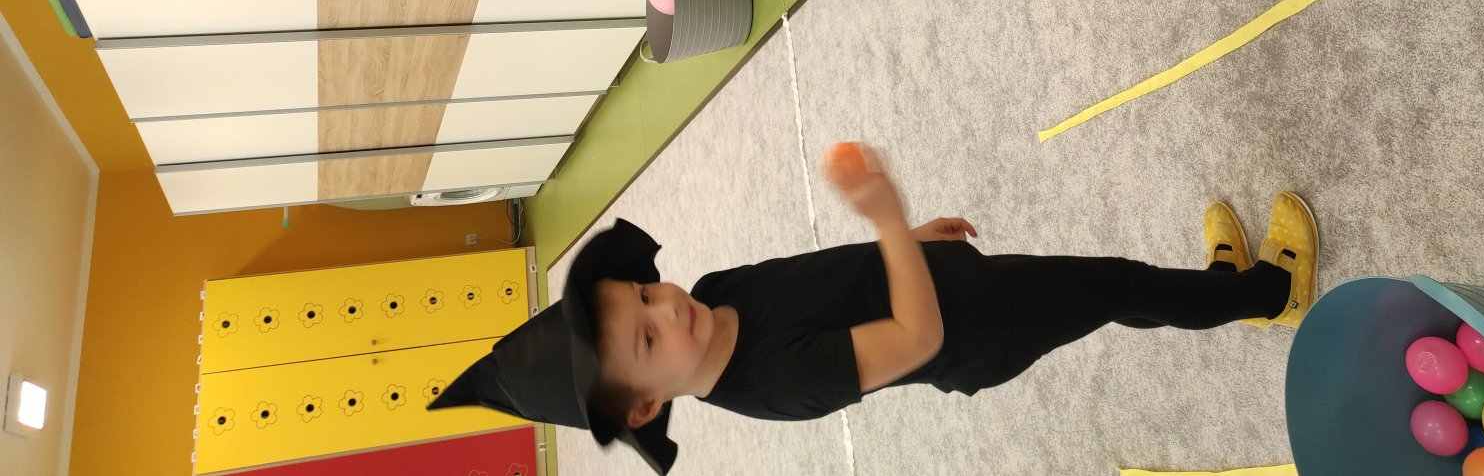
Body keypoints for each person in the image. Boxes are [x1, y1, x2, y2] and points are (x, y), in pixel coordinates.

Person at [429, 144, 1318, 474]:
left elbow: (837, 275)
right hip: (976, 331)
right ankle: (1269, 294)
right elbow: (916, 336)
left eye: (644, 291)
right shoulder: (778, 384)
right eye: (649, 336)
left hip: (947, 282)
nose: (668, 303)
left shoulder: (720, 291)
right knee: (1116, 288)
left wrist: (909, 242)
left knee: (1118, 284)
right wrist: (889, 216)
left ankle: (1220, 288)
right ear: (646, 405)